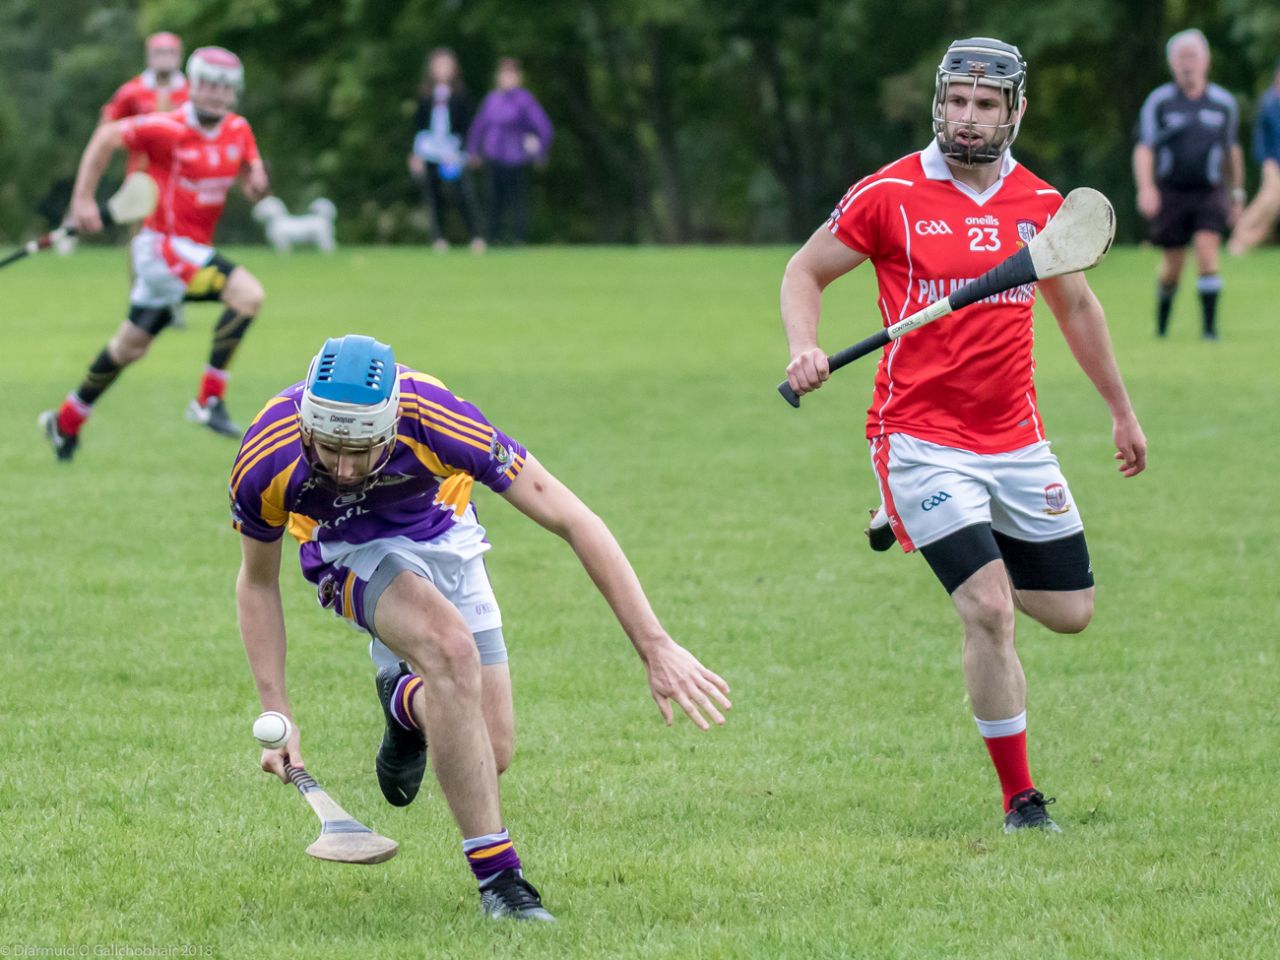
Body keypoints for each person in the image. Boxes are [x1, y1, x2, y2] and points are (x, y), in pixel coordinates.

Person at [230, 334, 731, 920]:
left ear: (389, 431)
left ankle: (405, 703)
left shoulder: (440, 420)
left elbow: (572, 517)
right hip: (342, 548)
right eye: (330, 448)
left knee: (489, 751)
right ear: (308, 427)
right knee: (449, 649)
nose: (343, 469)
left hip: (445, 530)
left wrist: (654, 643)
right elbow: (257, 583)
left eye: (361, 451)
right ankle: (501, 882)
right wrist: (279, 710)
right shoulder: (268, 455)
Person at [780, 38, 1147, 833]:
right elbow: (803, 272)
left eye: (986, 105)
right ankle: (1021, 799)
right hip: (917, 433)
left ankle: (933, 531)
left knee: (1071, 610)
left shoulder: (1041, 207)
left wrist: (1120, 409)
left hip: (1015, 437)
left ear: (1016, 111)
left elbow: (1077, 309)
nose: (967, 118)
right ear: (938, 103)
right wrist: (804, 347)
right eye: (956, 101)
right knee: (989, 610)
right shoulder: (891, 193)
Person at [39, 46, 270, 462]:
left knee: (131, 347)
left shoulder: (239, 129)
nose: (216, 94)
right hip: (161, 248)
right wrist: (84, 200)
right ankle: (209, 400)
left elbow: (249, 176)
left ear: (234, 93)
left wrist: (255, 181)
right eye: (208, 85)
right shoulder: (168, 127)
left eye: (225, 88)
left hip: (190, 251)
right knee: (247, 294)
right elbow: (108, 136)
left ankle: (66, 420)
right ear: (193, 86)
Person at [1133, 29, 1243, 340]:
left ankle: (1210, 331)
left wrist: (1236, 193)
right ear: (1171, 63)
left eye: (1192, 56)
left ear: (1206, 60)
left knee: (1208, 254)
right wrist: (1146, 188)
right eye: (1181, 57)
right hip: (1171, 192)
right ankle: (1163, 325)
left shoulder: (1223, 103)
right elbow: (1144, 148)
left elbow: (1231, 152)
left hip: (1210, 190)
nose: (1187, 64)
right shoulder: (1160, 102)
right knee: (1173, 266)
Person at [466, 57, 553, 245]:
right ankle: (491, 237)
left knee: (517, 200)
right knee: (493, 199)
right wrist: (473, 150)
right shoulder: (492, 100)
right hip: (493, 155)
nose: (507, 78)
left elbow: (543, 126)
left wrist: (541, 151)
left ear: (518, 77)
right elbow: (478, 126)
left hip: (516, 157)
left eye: (511, 74)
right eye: (504, 74)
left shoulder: (524, 100)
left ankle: (518, 238)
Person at [409, 47, 486, 253]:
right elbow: (419, 126)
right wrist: (416, 154)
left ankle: (476, 236)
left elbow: (467, 126)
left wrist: (466, 151)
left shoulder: (461, 95)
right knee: (434, 196)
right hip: (430, 152)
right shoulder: (425, 96)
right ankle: (438, 238)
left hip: (453, 152)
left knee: (463, 193)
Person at [100, 32, 189, 175]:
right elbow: (106, 127)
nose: (165, 58)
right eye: (159, 53)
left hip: (182, 170)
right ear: (149, 57)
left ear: (180, 56)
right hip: (141, 170)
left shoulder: (190, 93)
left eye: (171, 52)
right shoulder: (132, 91)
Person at [1229, 59, 1280, 254]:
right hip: (1272, 162)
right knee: (1267, 201)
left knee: (1274, 209)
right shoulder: (1268, 101)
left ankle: (1246, 241)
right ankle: (1239, 236)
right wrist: (1265, 160)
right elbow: (1261, 135)